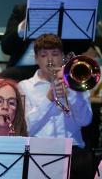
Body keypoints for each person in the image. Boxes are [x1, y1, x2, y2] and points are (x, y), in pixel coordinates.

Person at [18, 33, 95, 179]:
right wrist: (48, 99)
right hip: (39, 151)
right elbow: (25, 128)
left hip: (74, 151)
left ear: (63, 56)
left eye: (55, 54)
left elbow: (85, 121)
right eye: (43, 55)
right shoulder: (24, 87)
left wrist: (73, 93)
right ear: (36, 59)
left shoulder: (77, 81)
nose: (50, 59)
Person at [0, 0, 92, 81]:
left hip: (61, 67)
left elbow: (84, 46)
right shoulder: (21, 10)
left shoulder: (71, 10)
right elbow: (6, 48)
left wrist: (67, 28)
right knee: (6, 77)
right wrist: (22, 29)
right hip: (24, 68)